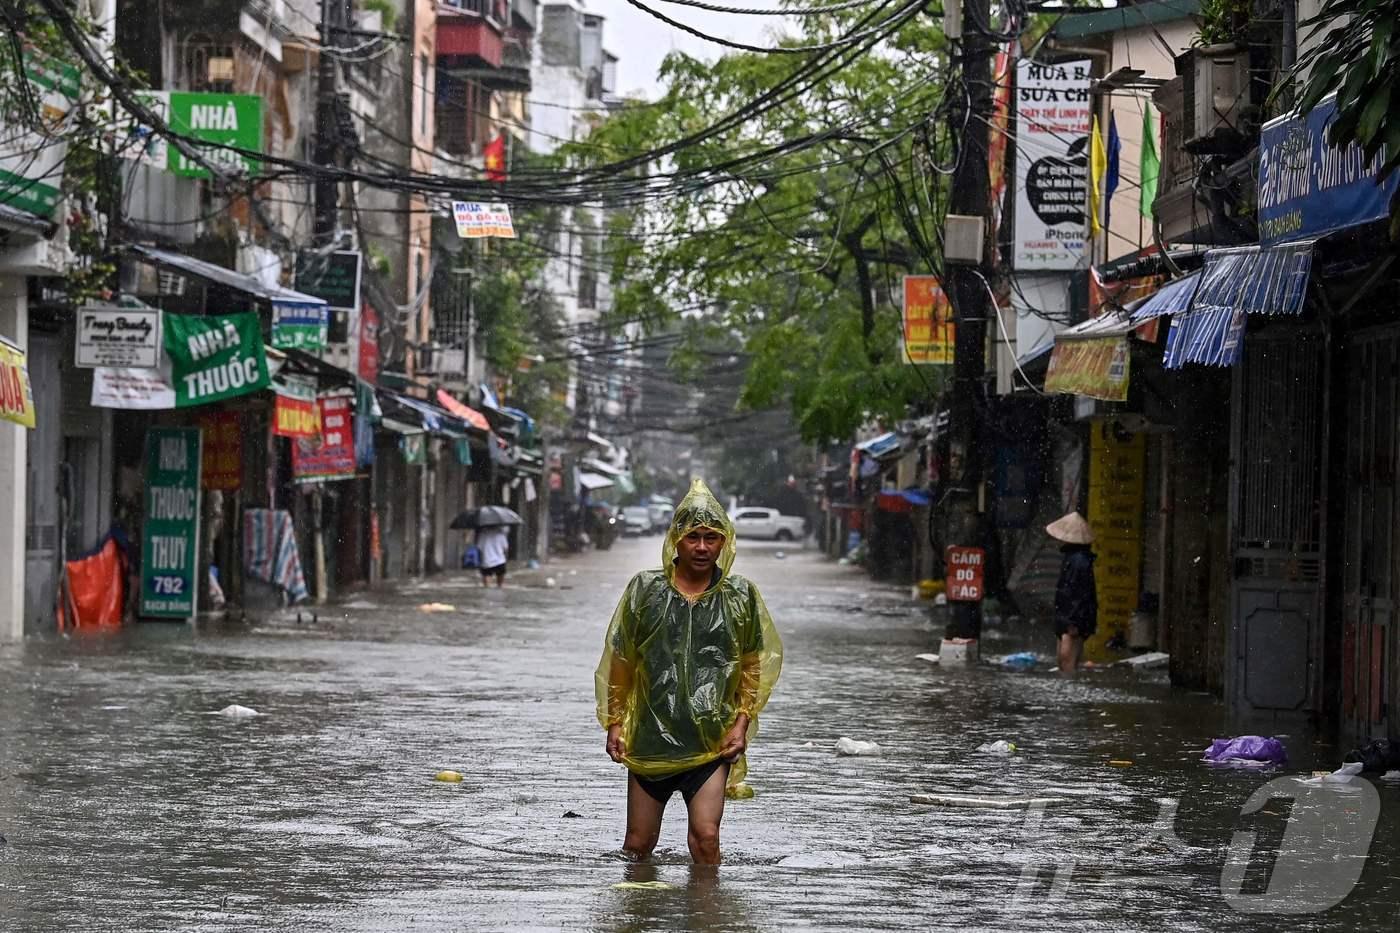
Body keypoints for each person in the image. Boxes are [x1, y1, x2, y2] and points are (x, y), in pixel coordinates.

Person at [596, 479, 783, 865]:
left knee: (706, 839)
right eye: (693, 536)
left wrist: (741, 723)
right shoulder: (645, 590)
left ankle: (708, 916)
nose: (702, 547)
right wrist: (615, 722)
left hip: (711, 742)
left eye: (711, 538)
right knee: (638, 845)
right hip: (650, 738)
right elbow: (621, 660)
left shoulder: (740, 595)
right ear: (675, 540)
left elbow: (752, 666)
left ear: (724, 543)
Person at [1048, 511, 1096, 672]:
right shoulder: (1074, 558)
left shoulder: (1079, 561)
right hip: (1070, 617)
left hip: (1073, 619)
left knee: (1067, 664)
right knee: (1064, 663)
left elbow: (1078, 593)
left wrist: (1072, 623)